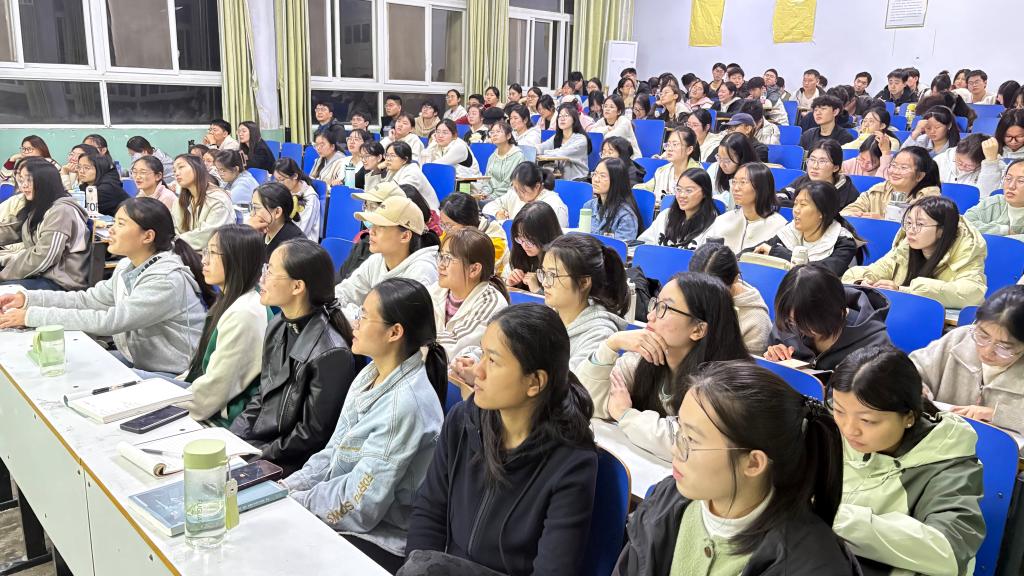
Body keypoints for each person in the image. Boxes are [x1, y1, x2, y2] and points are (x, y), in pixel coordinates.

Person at [404, 303, 597, 576]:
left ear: (535, 382)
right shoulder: (462, 420)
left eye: (493, 361)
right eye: (482, 354)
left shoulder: (572, 463)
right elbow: (429, 511)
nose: (478, 371)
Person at [614, 361, 857, 576]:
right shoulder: (666, 499)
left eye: (693, 440)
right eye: (680, 431)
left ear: (753, 463)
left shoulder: (811, 563)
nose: (677, 449)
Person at [281, 278, 445, 573]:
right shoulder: (370, 374)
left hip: (382, 537)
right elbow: (333, 452)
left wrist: (298, 503)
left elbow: (360, 506)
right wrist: (289, 488)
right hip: (345, 514)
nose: (354, 323)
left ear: (395, 332)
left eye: (364, 316)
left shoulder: (405, 406)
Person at [0, 197, 210, 375]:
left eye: (121, 224)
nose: (111, 230)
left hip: (174, 373)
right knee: (71, 366)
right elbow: (88, 300)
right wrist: (28, 299)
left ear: (148, 236)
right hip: (139, 359)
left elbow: (111, 321)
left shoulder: (166, 280)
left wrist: (31, 316)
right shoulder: (127, 266)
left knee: (77, 377)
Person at [830, 346, 985, 576]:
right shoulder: (829, 428)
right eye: (839, 410)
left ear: (909, 417)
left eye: (868, 420)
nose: (849, 429)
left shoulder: (948, 466)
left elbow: (949, 552)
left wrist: (830, 516)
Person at [580, 272, 752, 460]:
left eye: (665, 308)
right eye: (656, 304)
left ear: (698, 329)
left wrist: (626, 415)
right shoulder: (642, 360)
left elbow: (687, 443)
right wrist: (610, 345)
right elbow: (586, 403)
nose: (650, 315)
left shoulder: (725, 387)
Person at [230, 239, 357, 475]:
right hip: (265, 446)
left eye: (270, 272)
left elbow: (311, 435)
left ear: (297, 286)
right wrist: (233, 439)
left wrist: (257, 454)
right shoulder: (278, 324)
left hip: (292, 462)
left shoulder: (331, 353)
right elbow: (263, 394)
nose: (262, 279)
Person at [174, 225, 270, 424]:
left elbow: (214, 390)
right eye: (205, 251)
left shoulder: (244, 313)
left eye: (212, 253)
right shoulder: (234, 299)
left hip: (220, 417)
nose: (204, 260)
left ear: (237, 259)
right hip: (200, 393)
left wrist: (163, 407)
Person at [912, 285, 1024, 433]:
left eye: (1004, 347)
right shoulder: (959, 339)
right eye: (983, 336)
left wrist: (998, 415)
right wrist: (916, 387)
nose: (987, 351)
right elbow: (911, 368)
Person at [843, 196, 987, 309]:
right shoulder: (905, 247)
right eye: (909, 223)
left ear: (942, 230)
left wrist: (904, 291)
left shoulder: (965, 251)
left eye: (920, 224)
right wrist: (862, 283)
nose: (911, 231)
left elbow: (973, 293)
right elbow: (870, 271)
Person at [766, 264, 891, 370]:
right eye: (792, 321)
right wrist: (775, 358)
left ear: (831, 311)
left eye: (807, 323)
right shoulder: (789, 319)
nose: (798, 329)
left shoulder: (874, 344)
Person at [335, 196, 440, 320]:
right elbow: (345, 292)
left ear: (405, 236)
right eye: (373, 225)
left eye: (381, 227)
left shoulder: (422, 272)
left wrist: (346, 314)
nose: (371, 231)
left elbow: (386, 323)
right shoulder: (377, 260)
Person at [0, 159, 89, 290]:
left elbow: (44, 257)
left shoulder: (62, 211)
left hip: (60, 282)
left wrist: (4, 275)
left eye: (29, 180)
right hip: (40, 274)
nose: (24, 186)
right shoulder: (38, 206)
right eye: (21, 180)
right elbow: (12, 229)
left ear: (44, 182)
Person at [428, 227, 509, 360]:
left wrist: (413, 339)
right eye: (441, 256)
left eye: (448, 258)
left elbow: (455, 347)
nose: (441, 265)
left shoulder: (491, 303)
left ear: (474, 269)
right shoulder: (436, 290)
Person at [751, 180, 863, 276]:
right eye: (795, 204)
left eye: (803, 205)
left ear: (822, 212)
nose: (796, 210)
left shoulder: (844, 242)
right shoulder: (791, 229)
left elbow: (822, 273)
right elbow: (757, 249)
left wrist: (778, 253)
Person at [689, 243, 771, 354]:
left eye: (713, 292)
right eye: (697, 289)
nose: (703, 298)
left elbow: (746, 364)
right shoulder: (684, 294)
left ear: (735, 279)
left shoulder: (756, 323)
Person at [702, 162, 788, 252]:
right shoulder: (722, 220)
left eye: (743, 182)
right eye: (734, 182)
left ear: (761, 187)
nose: (735, 188)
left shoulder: (779, 227)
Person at [841, 147, 942, 219]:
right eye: (893, 165)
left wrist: (883, 221)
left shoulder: (929, 197)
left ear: (919, 176)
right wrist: (857, 215)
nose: (895, 171)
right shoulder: (879, 189)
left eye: (903, 168)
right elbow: (846, 212)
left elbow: (922, 228)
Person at [639, 167, 717, 249]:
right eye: (679, 189)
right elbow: (644, 244)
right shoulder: (666, 216)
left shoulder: (714, 226)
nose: (682, 195)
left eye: (689, 190)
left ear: (704, 193)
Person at [170, 154, 234, 250]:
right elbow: (174, 228)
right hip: (186, 251)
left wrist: (175, 242)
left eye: (181, 167)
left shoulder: (218, 199)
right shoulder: (181, 200)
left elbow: (207, 237)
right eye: (174, 170)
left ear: (197, 168)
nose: (177, 173)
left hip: (213, 254)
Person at [438, 193, 508, 273]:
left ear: (467, 222)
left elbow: (474, 273)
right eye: (442, 224)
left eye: (449, 225)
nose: (445, 230)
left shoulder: (494, 241)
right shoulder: (451, 231)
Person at [483, 161, 569, 226]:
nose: (518, 195)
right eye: (515, 189)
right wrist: (497, 213)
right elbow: (488, 207)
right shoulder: (514, 194)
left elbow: (557, 237)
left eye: (522, 191)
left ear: (537, 186)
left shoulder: (553, 205)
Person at [780, 140, 860, 208]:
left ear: (835, 167)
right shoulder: (803, 181)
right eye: (812, 160)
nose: (815, 166)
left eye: (822, 161)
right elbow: (781, 196)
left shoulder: (848, 192)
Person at [505, 201, 562, 293]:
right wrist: (509, 284)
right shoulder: (519, 254)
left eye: (530, 240)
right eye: (519, 238)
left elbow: (563, 300)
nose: (524, 245)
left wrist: (537, 290)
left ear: (546, 235)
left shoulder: (561, 262)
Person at [584, 157, 641, 242]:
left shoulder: (625, 215)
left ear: (616, 180)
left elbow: (620, 247)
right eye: (595, 174)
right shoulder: (588, 206)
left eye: (602, 176)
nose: (596, 179)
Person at [247, 182, 305, 262]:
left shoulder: (292, 248)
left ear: (277, 212)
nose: (252, 213)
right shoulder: (264, 232)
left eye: (256, 208)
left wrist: (246, 232)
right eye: (252, 207)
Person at [934, 134, 1005, 196]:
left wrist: (990, 165)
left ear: (980, 164)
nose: (962, 167)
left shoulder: (994, 169)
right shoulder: (941, 160)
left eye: (969, 166)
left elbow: (985, 195)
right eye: (959, 161)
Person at [420, 119, 482, 186]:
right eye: (438, 132)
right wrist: (432, 144)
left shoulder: (459, 147)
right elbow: (423, 164)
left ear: (454, 135)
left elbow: (434, 166)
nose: (440, 135)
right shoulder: (438, 145)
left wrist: (433, 143)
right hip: (451, 183)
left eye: (445, 133)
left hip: (468, 185)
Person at [538, 104, 591, 181]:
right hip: (560, 179)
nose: (562, 119)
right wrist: (533, 150)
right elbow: (542, 147)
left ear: (574, 119)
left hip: (578, 180)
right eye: (560, 116)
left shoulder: (581, 139)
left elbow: (562, 153)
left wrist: (544, 153)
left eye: (566, 116)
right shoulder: (557, 137)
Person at [706, 132, 759, 208]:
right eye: (719, 158)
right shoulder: (714, 168)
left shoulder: (755, 175)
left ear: (742, 158)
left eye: (727, 160)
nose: (721, 165)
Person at [272, 157, 320, 241]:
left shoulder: (310, 198)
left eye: (281, 180)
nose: (279, 184)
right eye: (276, 180)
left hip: (301, 243)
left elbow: (301, 231)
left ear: (295, 176)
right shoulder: (286, 191)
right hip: (285, 237)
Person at [380, 141, 438, 209]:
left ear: (405, 160)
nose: (388, 159)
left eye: (393, 156)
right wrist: (378, 168)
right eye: (387, 155)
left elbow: (401, 195)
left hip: (427, 211)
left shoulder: (412, 173)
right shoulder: (393, 168)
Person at [478, 120, 525, 203]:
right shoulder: (492, 156)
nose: (494, 134)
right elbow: (487, 179)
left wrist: (492, 197)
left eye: (498, 132)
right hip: (491, 197)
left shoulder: (517, 156)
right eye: (492, 132)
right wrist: (485, 193)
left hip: (509, 197)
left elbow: (509, 183)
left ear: (508, 136)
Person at [76, 149, 129, 216]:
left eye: (87, 168)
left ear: (99, 169)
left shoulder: (106, 188)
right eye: (79, 167)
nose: (81, 171)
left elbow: (78, 208)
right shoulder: (88, 184)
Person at [588, 95, 641, 159]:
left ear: (619, 111)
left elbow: (610, 139)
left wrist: (602, 134)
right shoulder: (602, 121)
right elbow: (592, 134)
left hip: (630, 159)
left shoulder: (624, 121)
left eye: (611, 107)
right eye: (605, 106)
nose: (607, 109)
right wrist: (606, 129)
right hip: (611, 158)